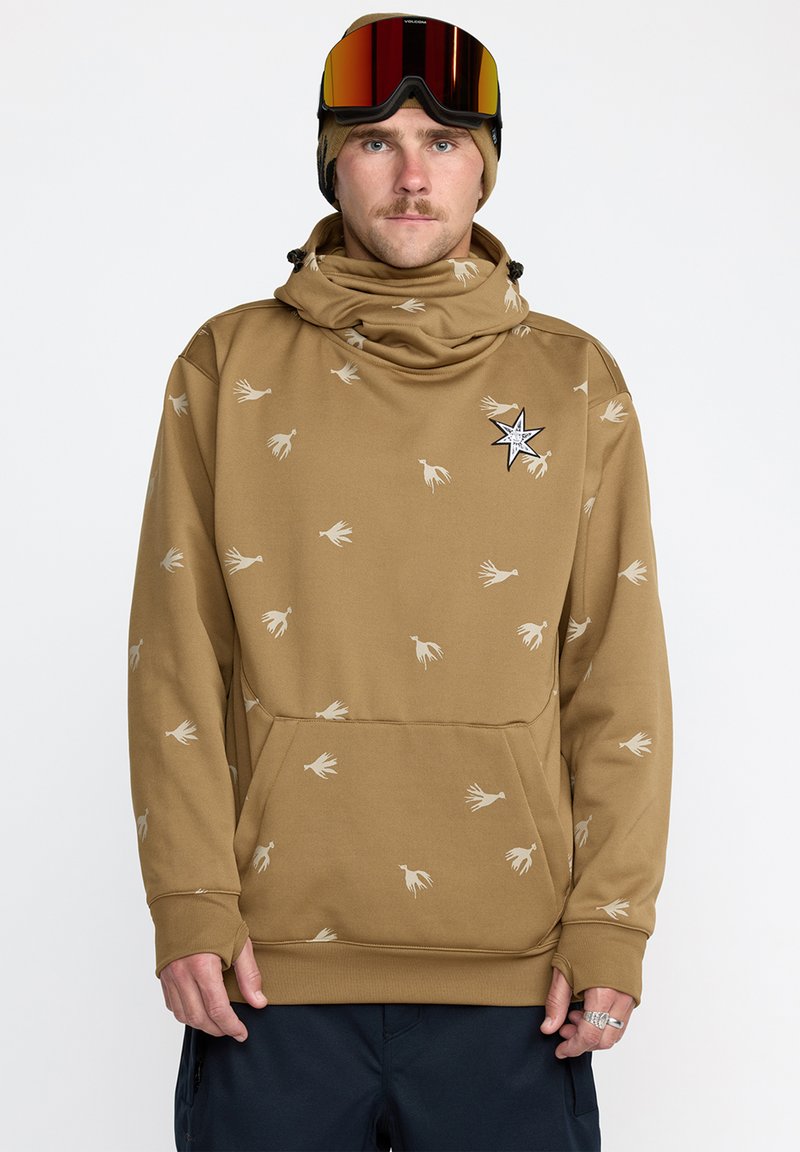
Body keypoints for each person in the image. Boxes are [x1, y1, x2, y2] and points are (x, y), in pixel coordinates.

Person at [128, 13, 672, 1151]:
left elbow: (616, 673)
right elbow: (177, 656)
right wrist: (188, 899)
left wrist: (612, 921)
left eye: (443, 141)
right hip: (267, 973)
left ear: (485, 165)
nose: (413, 175)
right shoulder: (227, 364)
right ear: (333, 164)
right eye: (376, 141)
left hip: (518, 983)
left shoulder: (572, 382)